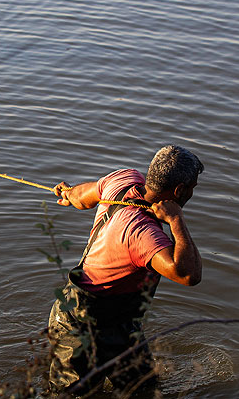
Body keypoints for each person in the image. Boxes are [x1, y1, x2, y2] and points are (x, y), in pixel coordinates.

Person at [47, 145, 203, 395]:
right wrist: (176, 220)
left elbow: (80, 196)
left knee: (144, 391)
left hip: (120, 322)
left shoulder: (123, 179)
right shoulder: (142, 234)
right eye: (192, 188)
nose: (192, 193)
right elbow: (188, 274)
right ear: (179, 190)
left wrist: (68, 193)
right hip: (79, 323)